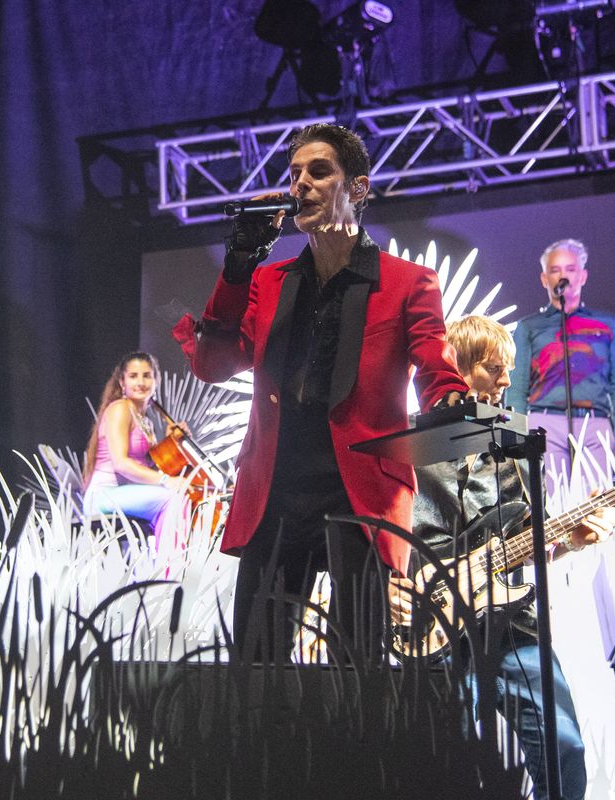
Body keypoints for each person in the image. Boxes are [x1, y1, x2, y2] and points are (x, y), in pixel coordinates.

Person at [172, 123, 470, 662]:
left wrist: (448, 398)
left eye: (319, 171)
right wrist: (238, 268)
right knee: (256, 668)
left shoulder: (408, 282)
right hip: (277, 494)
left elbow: (434, 363)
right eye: (294, 175)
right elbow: (213, 365)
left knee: (357, 671)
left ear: (357, 189)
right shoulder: (269, 281)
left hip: (359, 495)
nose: (301, 184)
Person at [390, 314, 615, 800]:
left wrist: (571, 540)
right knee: (440, 762)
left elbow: (530, 537)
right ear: (456, 367)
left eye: (508, 369)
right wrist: (389, 584)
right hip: (431, 628)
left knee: (566, 751)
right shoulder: (402, 445)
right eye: (494, 368)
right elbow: (376, 532)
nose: (506, 380)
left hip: (514, 628)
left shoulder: (513, 450)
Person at [506, 238, 615, 489]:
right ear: (545, 279)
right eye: (555, 270)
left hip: (595, 423)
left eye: (570, 269)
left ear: (583, 276)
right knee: (550, 506)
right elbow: (517, 384)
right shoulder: (529, 326)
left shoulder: (607, 323)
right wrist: (515, 434)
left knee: (597, 505)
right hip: (545, 423)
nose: (562, 276)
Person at [82, 351, 187, 547]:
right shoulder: (120, 408)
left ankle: (166, 562)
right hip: (105, 495)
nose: (141, 382)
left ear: (156, 381)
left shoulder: (145, 421)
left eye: (147, 376)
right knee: (170, 500)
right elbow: (121, 464)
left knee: (178, 498)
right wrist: (166, 481)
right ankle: (168, 570)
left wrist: (171, 442)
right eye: (133, 376)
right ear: (122, 383)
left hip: (126, 493)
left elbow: (147, 467)